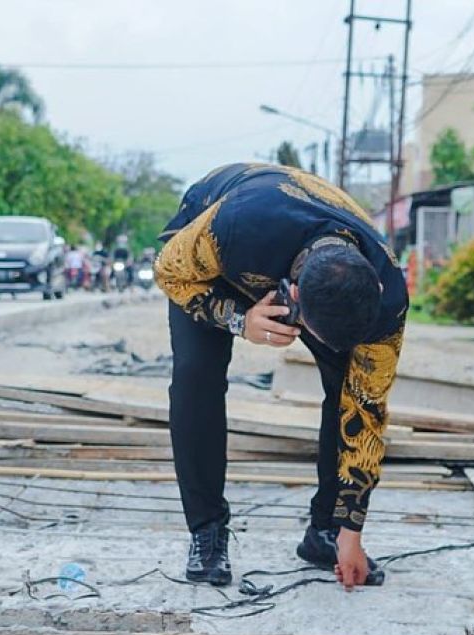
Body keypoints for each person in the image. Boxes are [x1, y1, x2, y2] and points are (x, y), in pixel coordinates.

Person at [155, 163, 407, 589]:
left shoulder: (389, 297)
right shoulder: (232, 227)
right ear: (293, 298)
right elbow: (168, 270)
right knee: (197, 375)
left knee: (352, 387)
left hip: (303, 245)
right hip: (214, 254)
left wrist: (352, 529)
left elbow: (367, 410)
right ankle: (207, 531)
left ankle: (323, 531)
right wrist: (239, 319)